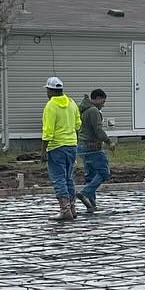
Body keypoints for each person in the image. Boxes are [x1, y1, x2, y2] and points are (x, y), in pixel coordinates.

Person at [41, 76, 81, 222]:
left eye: (47, 90)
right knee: (68, 178)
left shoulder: (51, 106)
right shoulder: (71, 103)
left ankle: (65, 210)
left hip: (56, 147)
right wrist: (73, 142)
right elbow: (77, 125)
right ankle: (72, 208)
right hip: (72, 146)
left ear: (51, 90)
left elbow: (48, 131)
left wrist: (43, 150)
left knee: (58, 178)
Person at [76, 87, 114, 214]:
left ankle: (92, 205)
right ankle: (85, 193)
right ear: (97, 99)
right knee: (104, 173)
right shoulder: (93, 111)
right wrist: (108, 141)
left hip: (82, 146)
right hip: (92, 146)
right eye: (103, 102)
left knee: (90, 176)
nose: (103, 105)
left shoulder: (83, 109)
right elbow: (98, 130)